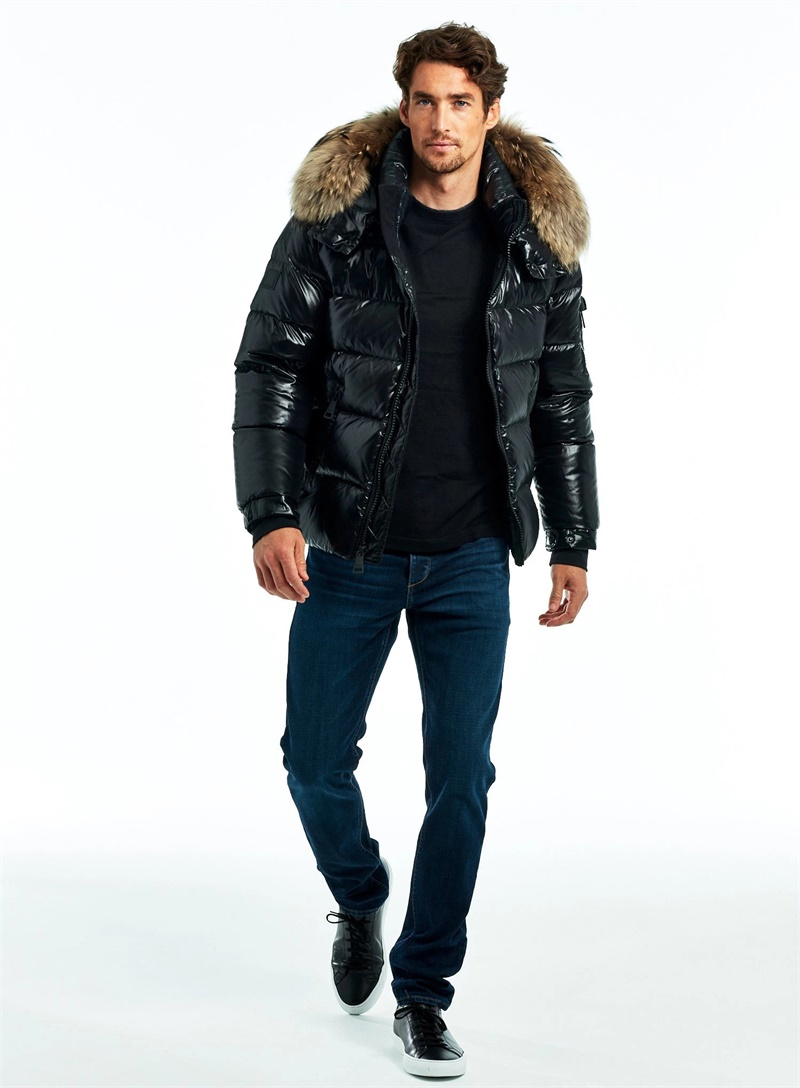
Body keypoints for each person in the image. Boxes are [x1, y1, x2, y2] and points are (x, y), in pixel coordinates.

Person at [231, 22, 599, 1079]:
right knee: (312, 760)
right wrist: (271, 512)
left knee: (462, 780)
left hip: (472, 553)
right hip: (349, 546)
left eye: (460, 102)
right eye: (425, 100)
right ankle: (359, 892)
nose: (442, 121)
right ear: (405, 107)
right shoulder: (337, 224)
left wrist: (573, 535)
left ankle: (423, 993)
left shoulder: (532, 241)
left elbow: (563, 395)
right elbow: (270, 364)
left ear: (490, 111)